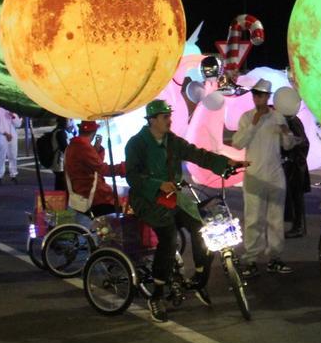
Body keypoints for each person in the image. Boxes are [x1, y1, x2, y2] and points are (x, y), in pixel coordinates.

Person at [125, 99, 248, 323]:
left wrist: (226, 163)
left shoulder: (173, 141)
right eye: (165, 117)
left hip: (175, 198)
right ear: (152, 120)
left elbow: (197, 154)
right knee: (169, 239)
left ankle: (199, 279)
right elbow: (132, 176)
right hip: (149, 200)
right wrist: (157, 184)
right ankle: (157, 295)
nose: (170, 120)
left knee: (204, 230)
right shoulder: (137, 144)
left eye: (169, 116)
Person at [232, 80, 300, 276]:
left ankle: (275, 258)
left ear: (268, 97)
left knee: (276, 219)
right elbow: (238, 143)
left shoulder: (278, 116)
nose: (258, 99)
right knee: (253, 218)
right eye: (255, 95)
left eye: (261, 95)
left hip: (275, 173)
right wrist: (254, 123)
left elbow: (287, 146)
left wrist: (287, 134)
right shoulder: (246, 117)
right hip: (254, 174)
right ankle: (251, 259)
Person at [65, 120, 125, 217]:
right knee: (118, 219)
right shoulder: (83, 146)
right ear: (94, 132)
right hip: (95, 196)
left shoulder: (73, 145)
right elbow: (102, 169)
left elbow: (91, 165)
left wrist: (96, 148)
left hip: (82, 192)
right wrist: (124, 167)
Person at [281, 106, 310, 239]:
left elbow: (302, 142)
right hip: (294, 164)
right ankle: (296, 226)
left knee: (295, 197)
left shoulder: (292, 121)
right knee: (293, 197)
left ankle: (298, 227)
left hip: (295, 165)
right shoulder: (291, 120)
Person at [0, 106, 21, 183]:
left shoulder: (12, 111)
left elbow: (18, 124)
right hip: (2, 137)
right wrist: (5, 133)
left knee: (13, 156)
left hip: (13, 137)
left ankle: (13, 174)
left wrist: (13, 116)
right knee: (1, 156)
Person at [51, 117, 74, 193]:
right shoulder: (60, 133)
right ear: (64, 121)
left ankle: (59, 201)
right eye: (69, 120)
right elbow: (65, 148)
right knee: (61, 186)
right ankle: (59, 201)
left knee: (60, 185)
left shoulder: (58, 131)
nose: (71, 122)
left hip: (58, 163)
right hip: (60, 164)